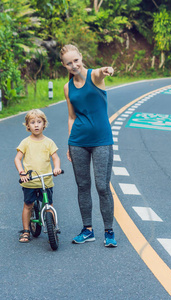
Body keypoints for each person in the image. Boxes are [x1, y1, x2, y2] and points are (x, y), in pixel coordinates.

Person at [60, 44, 117, 247]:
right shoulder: (68, 88)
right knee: (83, 186)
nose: (74, 65)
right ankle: (88, 230)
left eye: (76, 60)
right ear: (64, 65)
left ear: (81, 57)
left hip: (102, 140)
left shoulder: (95, 77)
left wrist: (107, 69)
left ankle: (109, 231)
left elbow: (102, 71)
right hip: (78, 141)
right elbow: (71, 117)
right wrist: (69, 142)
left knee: (102, 186)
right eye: (69, 63)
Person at [14, 109, 62, 243]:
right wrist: (22, 172)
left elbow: (55, 158)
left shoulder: (49, 142)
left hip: (45, 182)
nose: (36, 125)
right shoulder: (25, 142)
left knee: (49, 204)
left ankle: (53, 228)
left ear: (44, 124)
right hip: (30, 181)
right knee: (28, 205)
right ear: (28, 126)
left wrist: (57, 167)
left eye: (39, 122)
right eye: (32, 122)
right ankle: (26, 231)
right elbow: (17, 159)